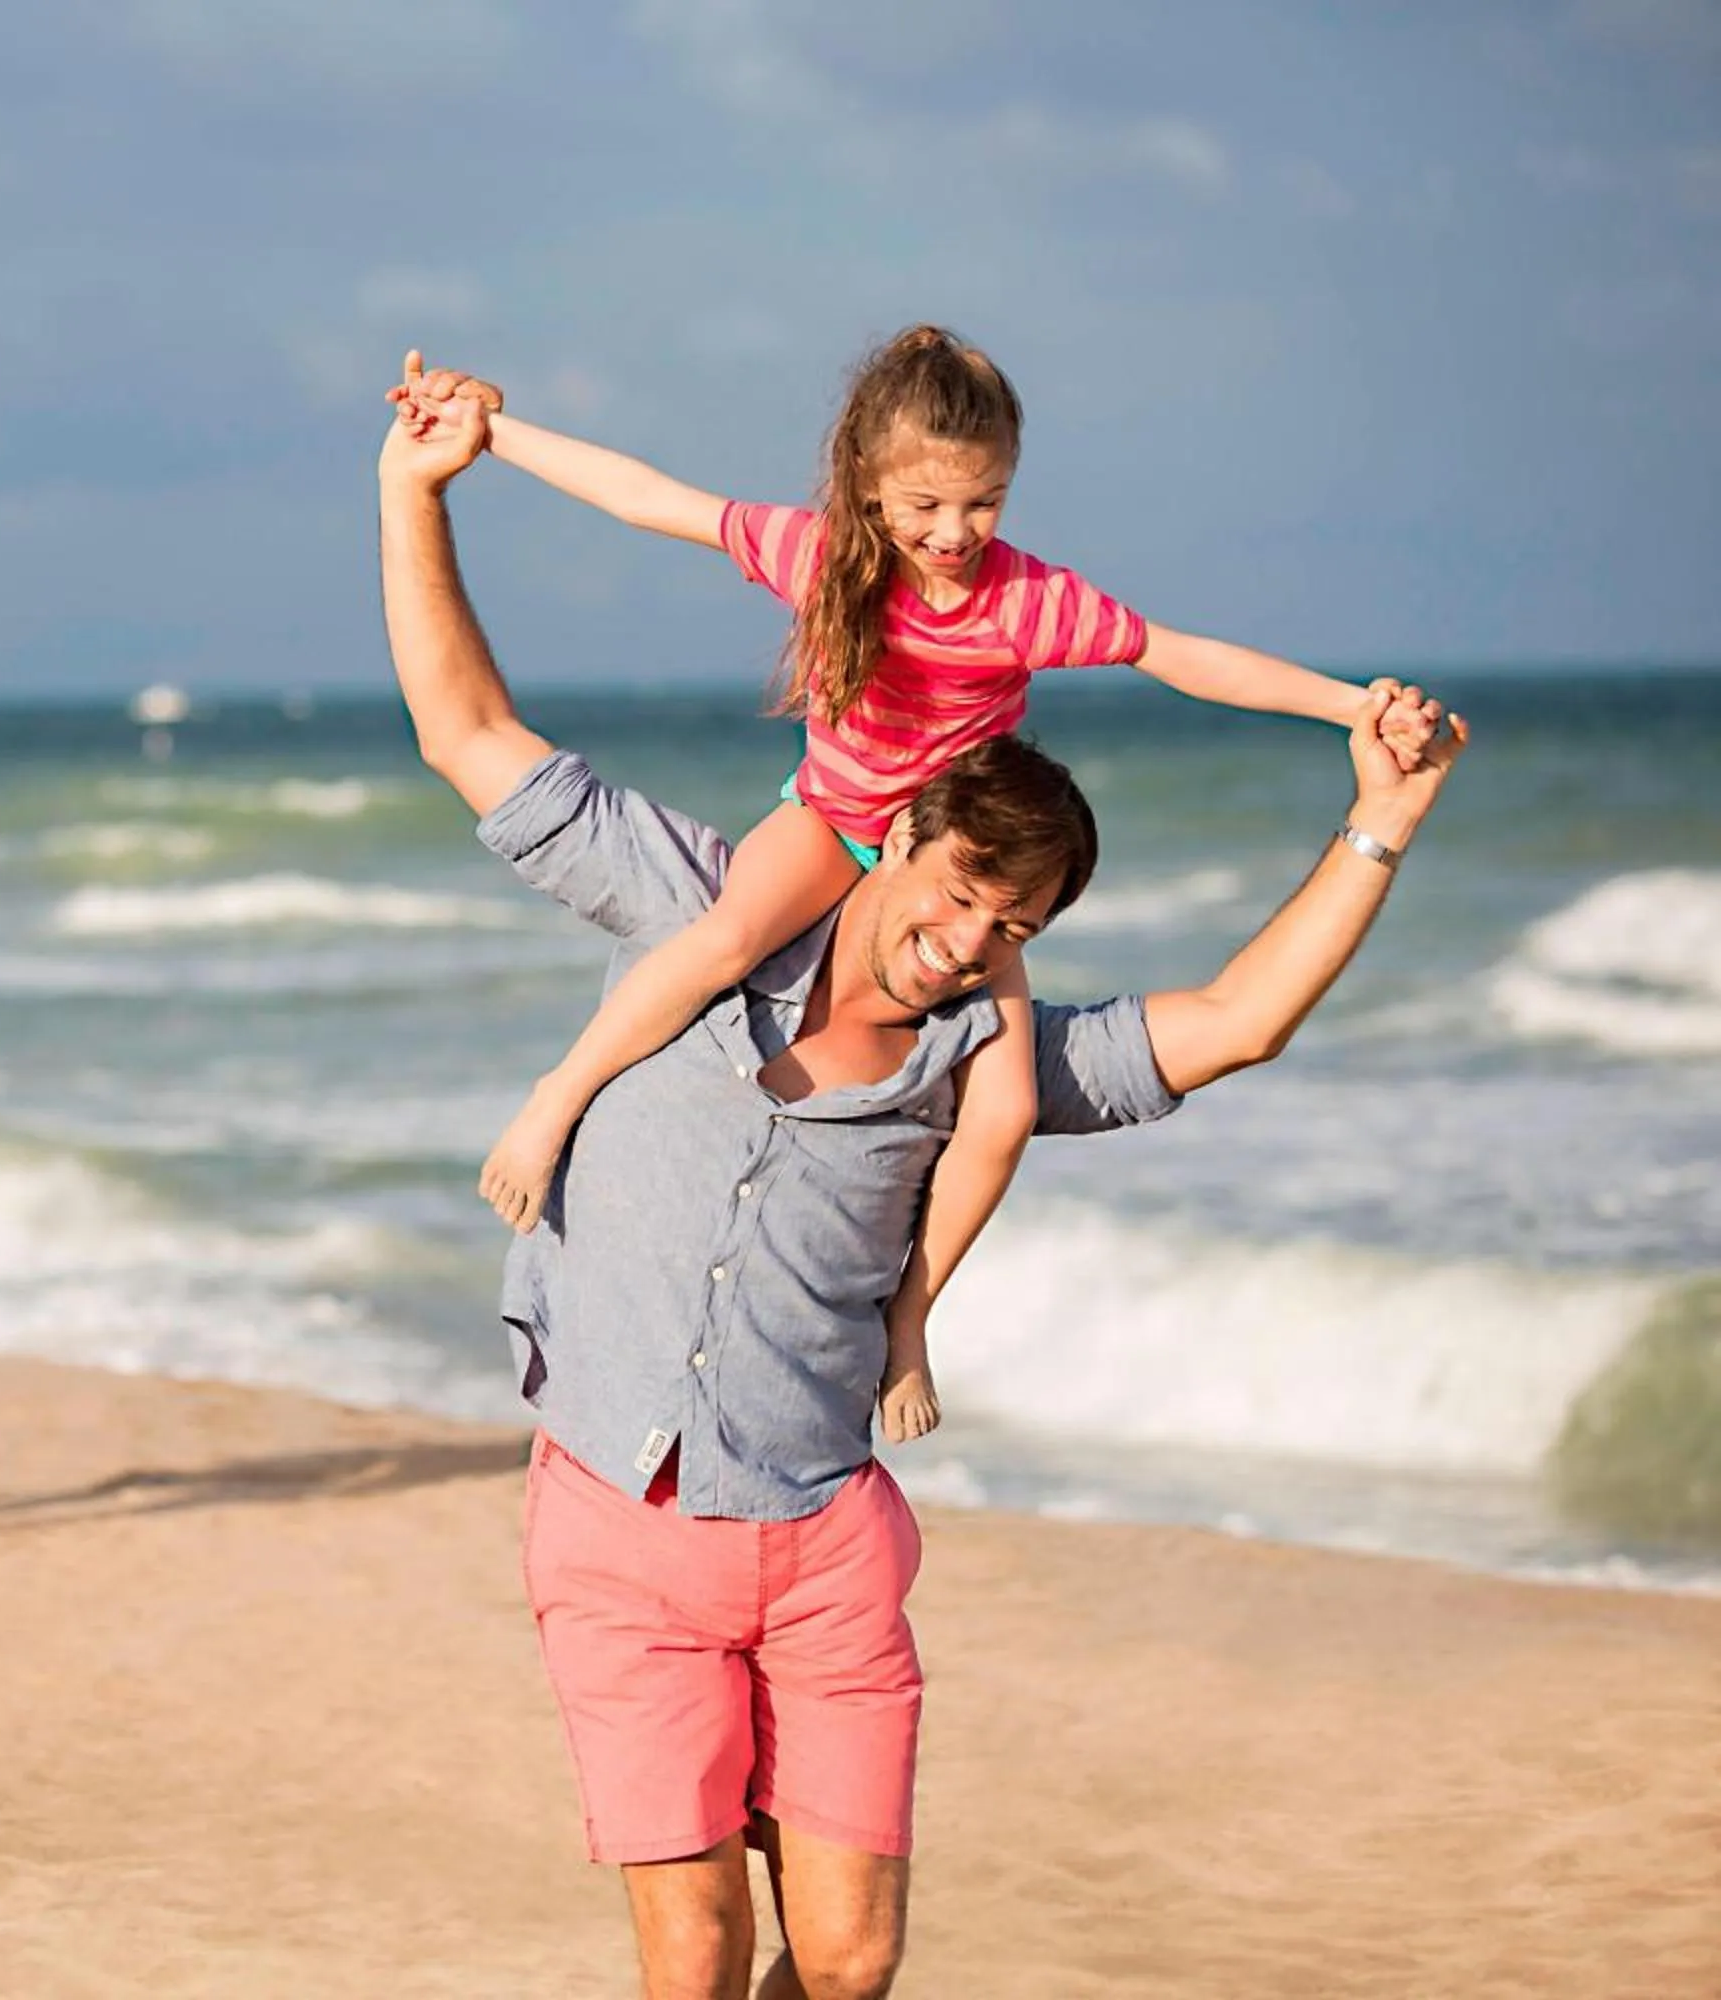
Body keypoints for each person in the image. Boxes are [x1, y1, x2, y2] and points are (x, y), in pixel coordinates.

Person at [377, 369, 1465, 1999]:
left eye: (1011, 929)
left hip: (822, 1547)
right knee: (692, 1962)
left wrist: (1377, 817)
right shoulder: (696, 908)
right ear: (904, 838)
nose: (967, 941)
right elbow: (470, 733)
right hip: (621, 1526)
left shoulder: (978, 1062)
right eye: (961, 893)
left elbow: (1229, 1027)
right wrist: (425, 487)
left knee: (851, 1963)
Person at [396, 336, 1430, 1445]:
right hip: (834, 823)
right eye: (925, 502)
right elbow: (651, 499)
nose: (952, 532)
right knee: (726, 939)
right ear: (868, 481)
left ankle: (910, 1324)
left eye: (982, 502)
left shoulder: (1028, 599)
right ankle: (556, 1099)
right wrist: (492, 436)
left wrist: (1349, 708)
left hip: (952, 871)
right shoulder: (826, 554)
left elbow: (1183, 657)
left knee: (1010, 1101)